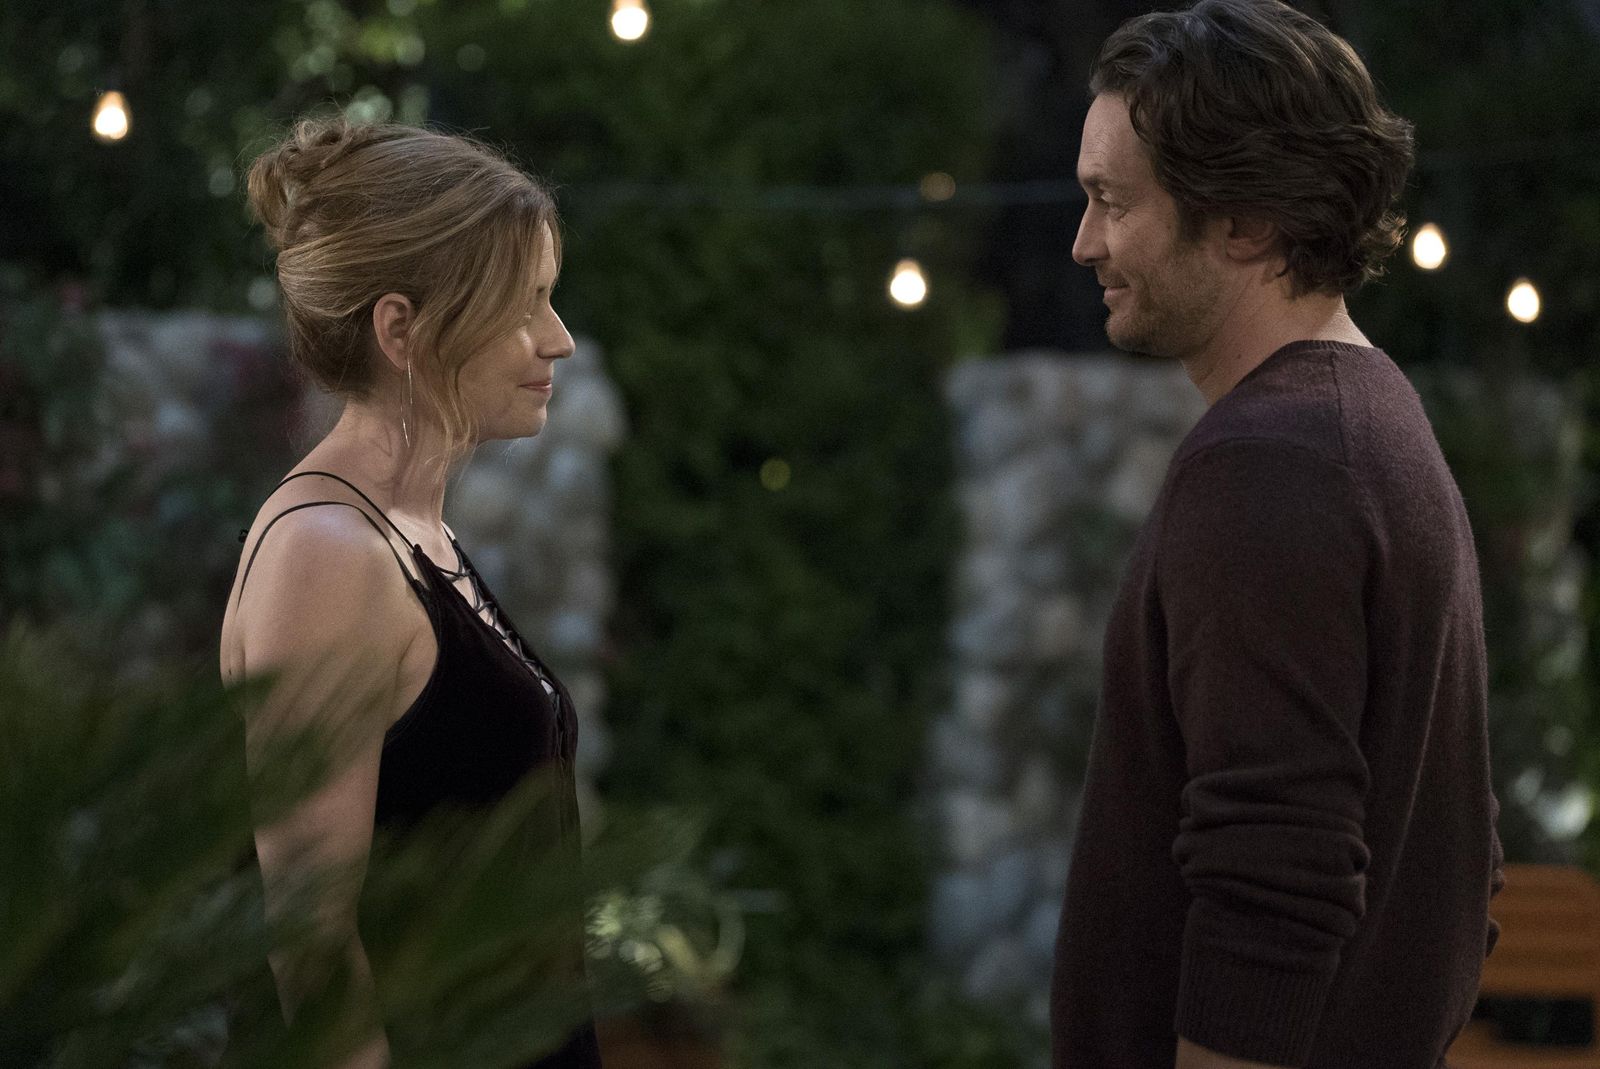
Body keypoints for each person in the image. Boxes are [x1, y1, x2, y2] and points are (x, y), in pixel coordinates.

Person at [1048, 2, 1502, 1067]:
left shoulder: (1272, 461)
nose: (1084, 242)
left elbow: (1273, 877)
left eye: (1113, 200)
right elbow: (1466, 851)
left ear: (1245, 221)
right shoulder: (1371, 424)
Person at [219, 116, 600, 1068]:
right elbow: (309, 939)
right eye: (524, 305)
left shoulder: (410, 534)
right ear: (401, 329)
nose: (558, 340)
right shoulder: (328, 552)